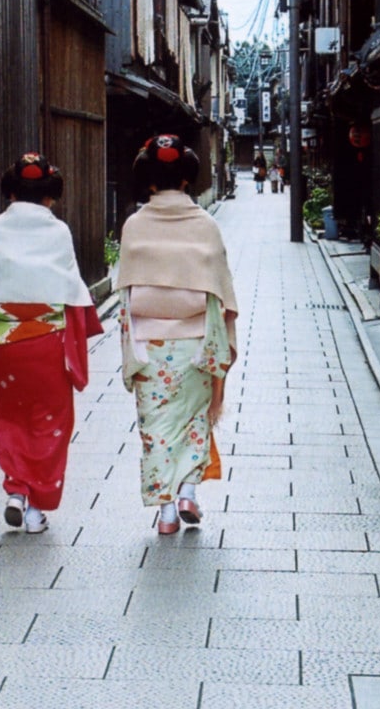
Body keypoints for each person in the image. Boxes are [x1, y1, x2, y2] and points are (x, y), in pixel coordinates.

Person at [116, 135, 239, 534]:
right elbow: (223, 294)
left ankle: (167, 513)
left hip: (149, 346)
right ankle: (188, 491)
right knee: (193, 421)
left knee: (157, 429)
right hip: (196, 344)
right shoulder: (205, 225)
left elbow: (127, 294)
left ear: (149, 183)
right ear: (186, 181)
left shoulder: (134, 226)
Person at [0, 152, 104, 533]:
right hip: (48, 340)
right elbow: (71, 291)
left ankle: (15, 489)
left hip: (8, 339)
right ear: (50, 195)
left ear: (11, 192)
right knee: (50, 422)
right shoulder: (58, 231)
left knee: (12, 416)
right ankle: (35, 510)